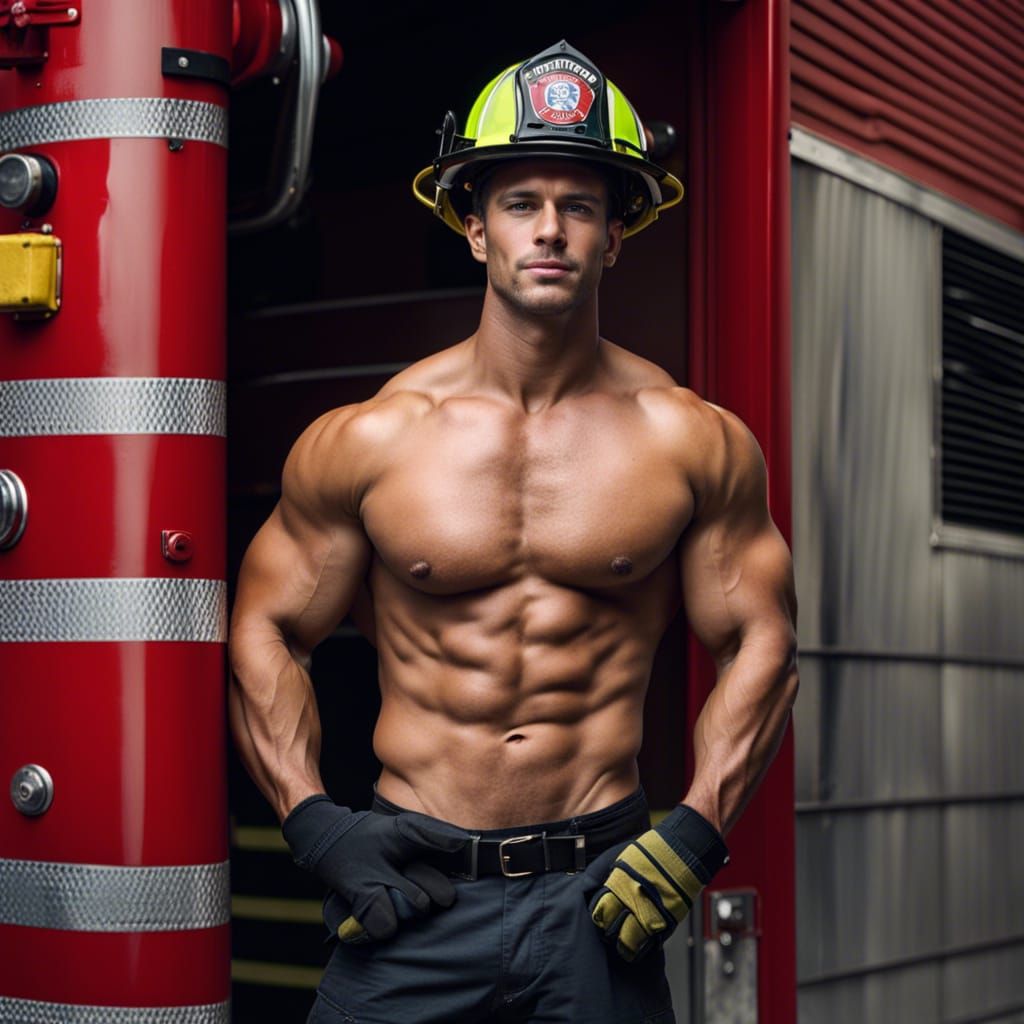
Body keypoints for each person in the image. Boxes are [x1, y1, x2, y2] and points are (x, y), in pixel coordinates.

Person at [229, 39, 798, 1024]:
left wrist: (695, 830)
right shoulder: (372, 439)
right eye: (520, 203)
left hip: (600, 895)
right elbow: (265, 625)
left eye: (580, 206)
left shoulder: (690, 440)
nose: (550, 230)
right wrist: (316, 823)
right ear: (473, 228)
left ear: (615, 236)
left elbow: (761, 642)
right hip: (413, 890)